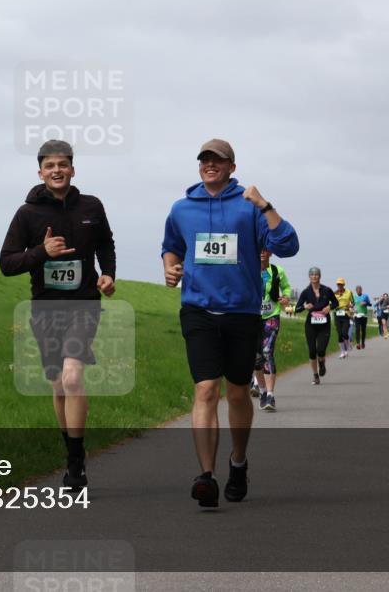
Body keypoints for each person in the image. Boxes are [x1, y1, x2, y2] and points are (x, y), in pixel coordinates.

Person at [161, 138, 298, 507]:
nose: (210, 165)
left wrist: (265, 206)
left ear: (231, 167)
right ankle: (206, 476)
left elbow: (288, 246)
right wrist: (170, 267)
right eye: (205, 160)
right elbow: (170, 245)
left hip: (242, 313)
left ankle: (238, 461)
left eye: (218, 160)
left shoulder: (248, 207)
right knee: (206, 390)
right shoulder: (181, 208)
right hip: (198, 310)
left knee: (237, 392)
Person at [0, 140, 116, 491]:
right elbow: (7, 264)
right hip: (45, 307)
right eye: (50, 165)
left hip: (84, 304)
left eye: (62, 164)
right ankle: (70, 454)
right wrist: (41, 251)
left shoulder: (92, 206)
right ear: (40, 172)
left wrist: (108, 273)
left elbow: (105, 243)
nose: (57, 170)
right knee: (57, 383)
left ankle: (77, 465)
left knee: (72, 375)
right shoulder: (27, 214)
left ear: (72, 169)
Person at [251, 249, 291, 411]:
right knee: (255, 358)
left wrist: (286, 296)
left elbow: (286, 287)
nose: (261, 252)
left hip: (271, 316)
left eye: (265, 250)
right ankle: (261, 391)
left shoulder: (277, 271)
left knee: (267, 352)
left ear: (270, 253)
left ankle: (270, 395)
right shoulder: (249, 268)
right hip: (251, 318)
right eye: (258, 249)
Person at [295, 267, 338, 385]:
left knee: (321, 349)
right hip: (311, 324)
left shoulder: (327, 290)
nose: (314, 276)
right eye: (312, 275)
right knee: (312, 351)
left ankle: (322, 363)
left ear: (320, 276)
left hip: (324, 324)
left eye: (316, 275)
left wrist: (329, 307)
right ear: (309, 277)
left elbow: (336, 302)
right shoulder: (305, 292)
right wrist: (304, 307)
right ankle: (315, 375)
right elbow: (297, 309)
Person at [332, 278, 355, 359]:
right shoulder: (334, 293)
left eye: (341, 284)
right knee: (339, 334)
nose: (339, 286)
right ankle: (343, 352)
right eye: (338, 284)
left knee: (344, 333)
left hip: (346, 314)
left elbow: (353, 302)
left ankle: (348, 343)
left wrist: (351, 305)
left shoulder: (349, 292)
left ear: (344, 285)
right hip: (337, 314)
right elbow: (331, 303)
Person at [353, 285, 372, 349]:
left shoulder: (365, 296)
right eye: (357, 290)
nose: (359, 291)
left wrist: (366, 303)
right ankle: (358, 343)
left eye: (360, 290)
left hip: (364, 315)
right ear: (356, 291)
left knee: (363, 330)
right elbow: (352, 304)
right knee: (357, 329)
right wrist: (352, 308)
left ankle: (363, 342)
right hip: (356, 315)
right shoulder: (354, 297)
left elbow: (370, 304)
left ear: (361, 290)